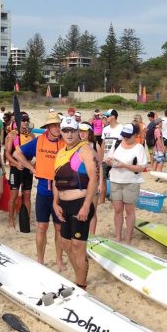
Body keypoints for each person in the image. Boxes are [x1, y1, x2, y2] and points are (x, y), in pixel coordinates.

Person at [13, 114, 65, 268]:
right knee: (42, 227)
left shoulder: (64, 142)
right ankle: (40, 260)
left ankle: (59, 260)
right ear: (48, 127)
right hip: (43, 190)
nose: (57, 128)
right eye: (54, 125)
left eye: (58, 125)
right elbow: (17, 154)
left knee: (58, 228)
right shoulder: (39, 141)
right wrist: (31, 168)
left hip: (60, 191)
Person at [53, 116, 99, 288]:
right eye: (66, 131)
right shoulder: (61, 152)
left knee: (78, 246)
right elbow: (55, 179)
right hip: (63, 206)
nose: (69, 134)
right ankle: (80, 269)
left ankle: (81, 284)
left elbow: (94, 178)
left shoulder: (85, 150)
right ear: (61, 132)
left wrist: (87, 205)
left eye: (73, 131)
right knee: (65, 243)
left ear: (79, 132)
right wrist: (55, 203)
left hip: (80, 203)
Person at [107, 123, 148, 243]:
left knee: (129, 210)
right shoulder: (117, 143)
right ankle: (118, 237)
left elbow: (141, 167)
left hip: (131, 182)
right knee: (118, 210)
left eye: (128, 136)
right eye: (124, 135)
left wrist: (124, 165)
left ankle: (128, 239)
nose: (125, 138)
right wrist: (111, 162)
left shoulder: (139, 147)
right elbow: (109, 159)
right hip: (115, 180)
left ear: (135, 135)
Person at [5, 115, 34, 230]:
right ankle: (11, 219)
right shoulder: (12, 135)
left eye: (27, 120)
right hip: (15, 168)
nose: (26, 122)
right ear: (18, 121)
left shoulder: (31, 136)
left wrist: (33, 165)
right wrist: (16, 163)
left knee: (27, 195)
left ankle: (26, 219)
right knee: (14, 196)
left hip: (27, 168)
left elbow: (36, 152)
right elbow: (7, 153)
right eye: (23, 120)